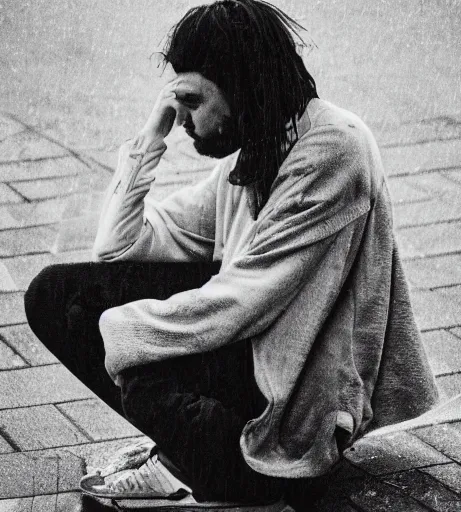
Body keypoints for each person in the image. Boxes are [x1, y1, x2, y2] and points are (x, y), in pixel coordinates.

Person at [24, 0, 439, 509]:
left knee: (131, 356)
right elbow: (121, 247)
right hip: (255, 360)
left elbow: (246, 299)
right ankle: (191, 452)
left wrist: (124, 341)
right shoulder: (257, 151)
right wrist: (149, 137)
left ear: (240, 87)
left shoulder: (335, 149)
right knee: (58, 295)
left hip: (294, 412)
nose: (184, 121)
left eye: (193, 101)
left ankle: (238, 476)